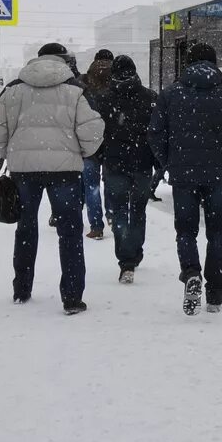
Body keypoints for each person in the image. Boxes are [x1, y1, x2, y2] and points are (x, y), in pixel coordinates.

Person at [0, 42, 104, 314]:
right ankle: (72, 297)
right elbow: (93, 129)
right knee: (70, 232)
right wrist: (80, 153)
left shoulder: (14, 89)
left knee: (26, 228)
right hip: (64, 171)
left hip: (24, 171)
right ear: (64, 61)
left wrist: (13, 153)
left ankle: (22, 289)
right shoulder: (76, 90)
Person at [148, 42, 222, 316]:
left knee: (186, 231)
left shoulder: (170, 95)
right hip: (216, 175)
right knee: (217, 234)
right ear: (215, 64)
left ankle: (192, 272)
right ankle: (215, 294)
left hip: (183, 175)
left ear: (187, 64)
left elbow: (155, 134)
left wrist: (169, 162)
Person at [98, 55, 158, 284]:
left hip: (114, 163)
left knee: (120, 211)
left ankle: (126, 260)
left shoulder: (103, 100)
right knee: (139, 210)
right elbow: (157, 132)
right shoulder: (151, 97)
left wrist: (102, 155)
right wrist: (156, 159)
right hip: (142, 163)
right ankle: (136, 252)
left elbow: (97, 133)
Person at [81, 48, 114, 239]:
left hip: (89, 140)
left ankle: (96, 226)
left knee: (91, 186)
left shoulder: (84, 81)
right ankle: (111, 215)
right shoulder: (118, 79)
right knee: (110, 181)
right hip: (113, 140)